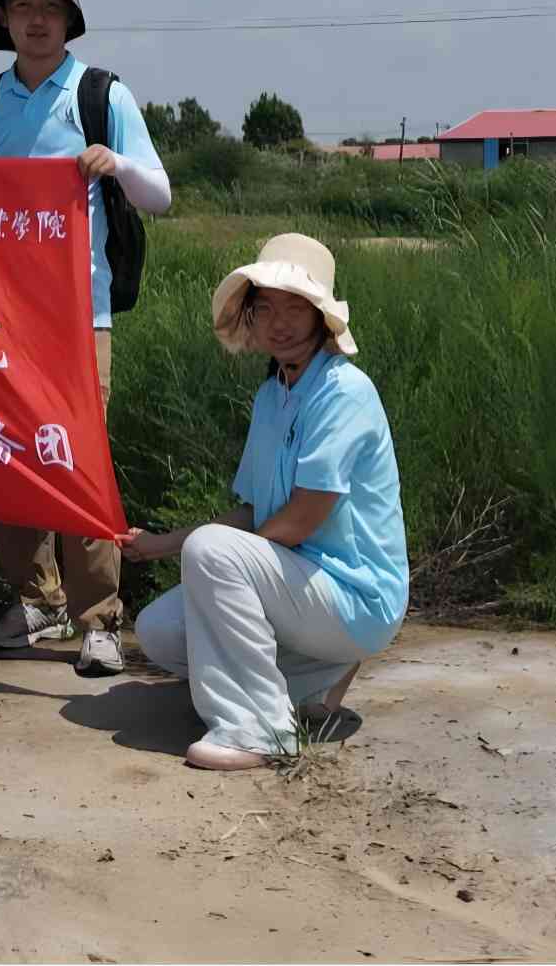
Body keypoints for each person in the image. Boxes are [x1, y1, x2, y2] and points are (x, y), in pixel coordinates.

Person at [0, 0, 172, 676]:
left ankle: (99, 618)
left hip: (82, 318)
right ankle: (36, 600)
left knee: (80, 461)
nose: (37, 20)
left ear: (69, 20)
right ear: (4, 20)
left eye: (49, 8)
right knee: (9, 459)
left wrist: (118, 165)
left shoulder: (103, 96)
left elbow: (160, 195)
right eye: (23, 8)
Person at [123, 234, 407, 768]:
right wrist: (159, 545)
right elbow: (253, 514)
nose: (280, 322)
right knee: (157, 630)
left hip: (356, 595)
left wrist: (216, 556)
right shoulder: (273, 394)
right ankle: (317, 678)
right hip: (301, 586)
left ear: (322, 315)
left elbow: (299, 521)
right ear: (249, 317)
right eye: (266, 307)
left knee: (213, 555)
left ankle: (261, 729)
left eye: (296, 306)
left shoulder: (344, 391)